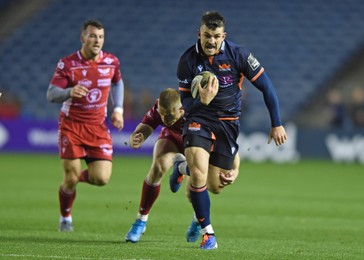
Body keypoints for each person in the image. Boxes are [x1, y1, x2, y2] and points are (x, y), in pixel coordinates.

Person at [176, 11, 287, 250]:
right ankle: (209, 234)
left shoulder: (239, 55)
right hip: (199, 118)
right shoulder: (187, 60)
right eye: (207, 35)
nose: (211, 41)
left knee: (215, 186)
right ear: (199, 33)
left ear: (223, 35)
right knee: (198, 173)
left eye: (216, 36)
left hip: (227, 122)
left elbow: (267, 87)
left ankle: (183, 174)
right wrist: (202, 101)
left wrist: (276, 122)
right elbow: (185, 104)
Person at [125, 88, 239, 243]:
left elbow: (228, 141)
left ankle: (197, 218)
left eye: (169, 115)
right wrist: (136, 138)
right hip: (173, 139)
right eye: (162, 114)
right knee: (158, 166)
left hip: (196, 144)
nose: (164, 119)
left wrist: (235, 168)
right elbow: (144, 127)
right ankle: (141, 220)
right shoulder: (161, 108)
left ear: (181, 109)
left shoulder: (199, 109)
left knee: (201, 190)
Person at [47, 19, 124, 232]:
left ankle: (73, 179)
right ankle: (65, 218)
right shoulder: (68, 64)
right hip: (72, 126)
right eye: (92, 36)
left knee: (101, 178)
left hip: (98, 127)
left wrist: (118, 109)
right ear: (83, 38)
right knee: (70, 177)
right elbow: (51, 94)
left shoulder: (111, 62)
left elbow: (118, 82)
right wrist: (69, 92)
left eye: (100, 37)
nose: (96, 40)